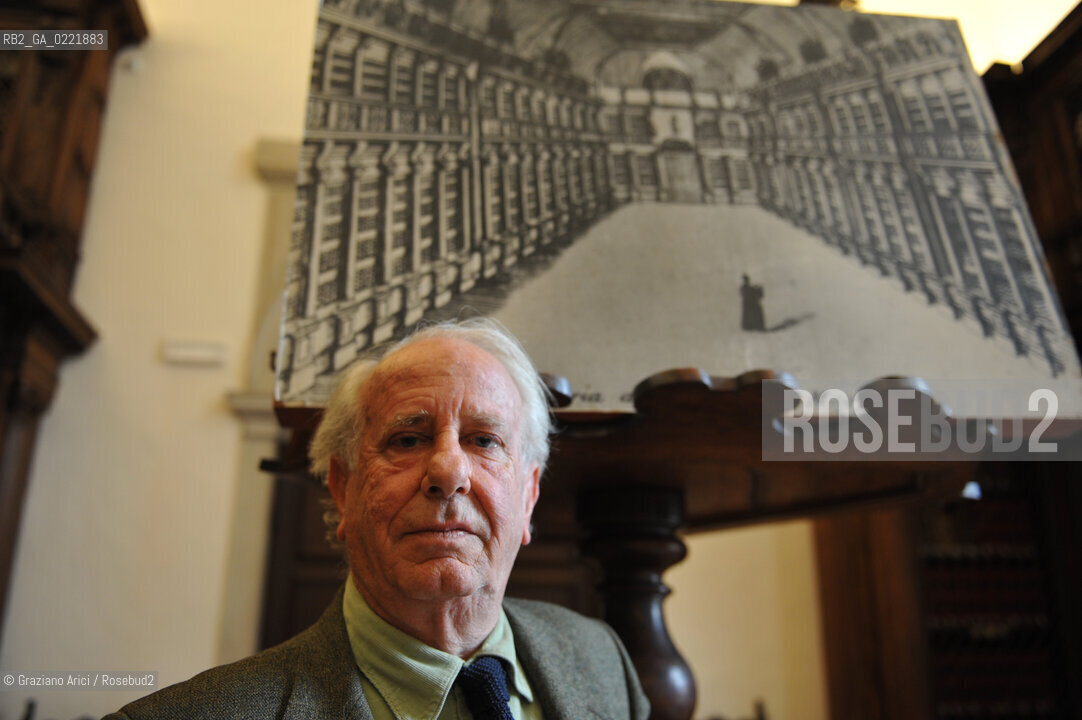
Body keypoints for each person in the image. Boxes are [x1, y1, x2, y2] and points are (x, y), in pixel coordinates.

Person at [104, 318, 649, 720]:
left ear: (529, 496)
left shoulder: (603, 662)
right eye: (407, 439)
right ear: (342, 489)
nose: (447, 471)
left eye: (484, 440)